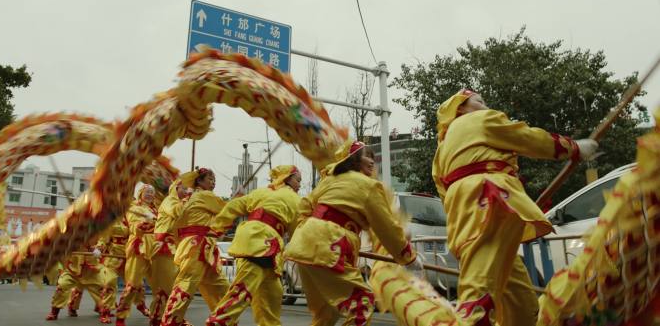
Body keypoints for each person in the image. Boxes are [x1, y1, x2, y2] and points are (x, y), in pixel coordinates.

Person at [431, 89, 598, 326]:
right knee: (479, 291)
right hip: (490, 201)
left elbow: (442, 190)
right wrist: (573, 148)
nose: (485, 104)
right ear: (461, 108)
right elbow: (525, 137)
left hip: (464, 212)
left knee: (519, 299)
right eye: (479, 100)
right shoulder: (481, 119)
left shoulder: (442, 148)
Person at [284, 140, 420, 326]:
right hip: (328, 247)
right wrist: (408, 256)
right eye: (366, 156)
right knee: (361, 301)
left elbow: (305, 206)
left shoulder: (330, 180)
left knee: (327, 313)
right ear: (352, 160)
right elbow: (385, 226)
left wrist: (305, 232)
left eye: (373, 157)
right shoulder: (369, 185)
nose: (372, 161)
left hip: (305, 247)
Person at [205, 165, 302, 326]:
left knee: (272, 295)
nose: (299, 184)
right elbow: (298, 232)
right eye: (298, 180)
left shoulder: (262, 192)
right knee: (241, 292)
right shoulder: (296, 200)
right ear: (287, 179)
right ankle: (217, 322)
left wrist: (218, 227)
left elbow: (233, 205)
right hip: (261, 244)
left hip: (257, 243)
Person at [160, 167, 229, 326]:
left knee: (220, 287)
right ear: (199, 181)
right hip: (197, 246)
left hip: (202, 248)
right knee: (186, 283)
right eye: (210, 179)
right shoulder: (204, 195)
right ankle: (169, 322)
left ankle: (224, 320)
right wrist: (239, 198)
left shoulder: (189, 198)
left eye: (214, 179)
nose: (213, 182)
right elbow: (228, 209)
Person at [115, 184, 159, 326]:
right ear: (140, 193)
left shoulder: (156, 209)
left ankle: (157, 316)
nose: (150, 195)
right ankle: (121, 316)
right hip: (139, 246)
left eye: (152, 192)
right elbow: (134, 226)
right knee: (133, 284)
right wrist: (146, 221)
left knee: (160, 285)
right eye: (147, 192)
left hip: (156, 248)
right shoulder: (133, 207)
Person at [149, 176, 190, 326]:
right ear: (175, 189)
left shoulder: (180, 203)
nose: (186, 191)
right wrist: (189, 198)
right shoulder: (169, 201)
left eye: (187, 189)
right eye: (183, 188)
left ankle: (163, 317)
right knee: (169, 286)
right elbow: (177, 212)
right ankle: (169, 317)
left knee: (171, 285)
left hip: (175, 248)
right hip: (164, 247)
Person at [94, 215, 149, 324]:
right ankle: (105, 311)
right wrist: (99, 247)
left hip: (131, 256)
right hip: (113, 258)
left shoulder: (136, 216)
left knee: (137, 284)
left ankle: (141, 305)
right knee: (109, 283)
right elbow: (104, 236)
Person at [45, 244, 106, 321]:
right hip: (72, 269)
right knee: (62, 285)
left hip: (91, 272)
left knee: (101, 290)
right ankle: (54, 312)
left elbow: (102, 242)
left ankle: (104, 312)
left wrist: (97, 249)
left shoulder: (97, 233)